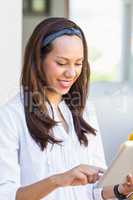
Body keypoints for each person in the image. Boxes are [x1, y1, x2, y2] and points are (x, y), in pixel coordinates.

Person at [0, 17, 133, 200]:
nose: (71, 73)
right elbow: (6, 195)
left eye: (78, 63)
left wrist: (120, 190)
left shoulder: (85, 111)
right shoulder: (11, 117)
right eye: (61, 63)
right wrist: (58, 180)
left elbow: (95, 190)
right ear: (38, 60)